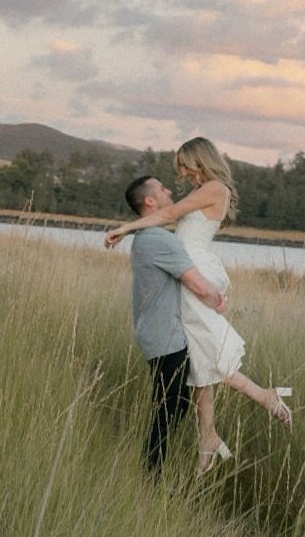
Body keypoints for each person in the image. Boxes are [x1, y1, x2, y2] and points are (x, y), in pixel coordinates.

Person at [107, 138, 292, 471]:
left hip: (195, 272)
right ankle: (207, 435)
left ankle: (266, 397)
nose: (181, 173)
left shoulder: (214, 188)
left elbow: (170, 212)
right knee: (199, 353)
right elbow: (169, 215)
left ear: (199, 160)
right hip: (189, 269)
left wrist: (125, 227)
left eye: (184, 165)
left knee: (208, 350)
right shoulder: (206, 189)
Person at [122, 173, 230, 473]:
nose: (169, 191)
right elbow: (198, 284)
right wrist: (217, 300)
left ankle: (152, 474)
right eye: (162, 188)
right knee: (169, 410)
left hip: (156, 334)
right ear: (150, 200)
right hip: (165, 338)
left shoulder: (147, 237)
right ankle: (150, 478)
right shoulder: (159, 240)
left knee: (173, 406)